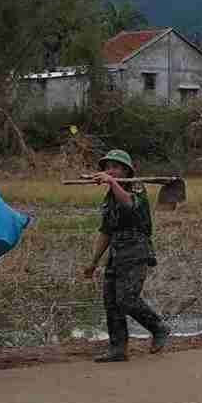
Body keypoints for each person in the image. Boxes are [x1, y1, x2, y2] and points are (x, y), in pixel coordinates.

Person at [80, 148, 170, 361]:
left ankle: (158, 327)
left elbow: (129, 205)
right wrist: (93, 262)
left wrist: (112, 182)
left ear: (127, 170)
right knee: (111, 301)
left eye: (116, 167)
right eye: (108, 167)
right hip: (117, 251)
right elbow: (105, 231)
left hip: (136, 249)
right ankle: (118, 348)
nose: (111, 170)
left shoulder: (136, 186)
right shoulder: (110, 197)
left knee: (127, 299)